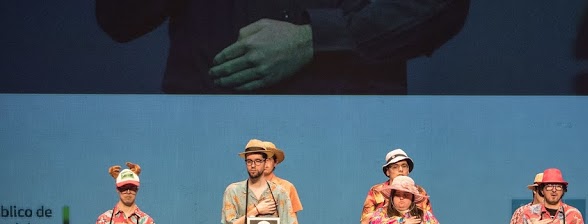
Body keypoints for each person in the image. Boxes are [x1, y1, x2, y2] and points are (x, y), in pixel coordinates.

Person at [95, 1, 470, 94]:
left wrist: (316, 38)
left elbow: (440, 6)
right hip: (204, 130)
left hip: (345, 129)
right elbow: (118, 16)